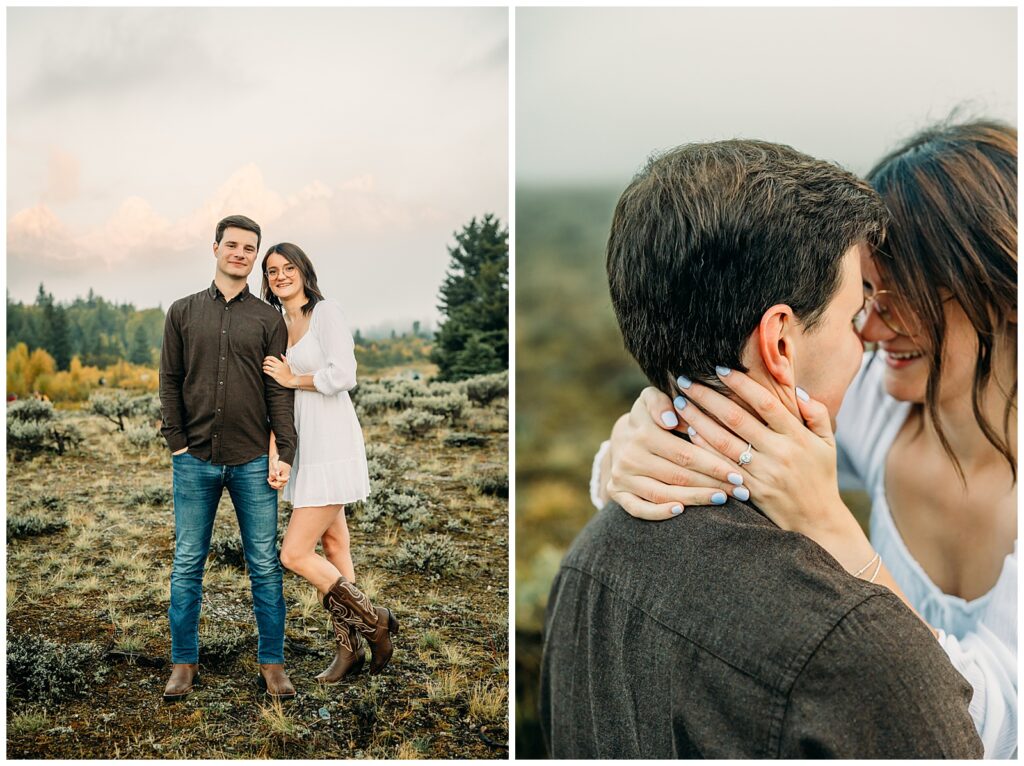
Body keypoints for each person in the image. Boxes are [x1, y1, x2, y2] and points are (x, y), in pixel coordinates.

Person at [539, 139, 984, 758]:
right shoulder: (865, 648)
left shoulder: (584, 567)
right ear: (780, 344)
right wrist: (624, 450)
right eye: (856, 316)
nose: (874, 341)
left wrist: (678, 420)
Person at [159, 214, 298, 701]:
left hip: (252, 461)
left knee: (263, 563)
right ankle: (183, 663)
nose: (240, 254)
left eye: (249, 248)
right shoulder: (181, 312)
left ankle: (273, 664)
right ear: (215, 248)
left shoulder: (267, 319)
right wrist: (177, 442)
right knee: (187, 563)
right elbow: (169, 382)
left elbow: (278, 392)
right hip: (193, 459)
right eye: (232, 245)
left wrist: (286, 449)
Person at [259, 243, 399, 684]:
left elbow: (344, 374)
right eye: (273, 270)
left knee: (293, 553)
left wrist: (293, 377)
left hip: (333, 442)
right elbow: (275, 398)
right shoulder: (278, 325)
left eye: (288, 268)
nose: (281, 275)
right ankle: (349, 650)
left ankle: (374, 622)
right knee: (335, 548)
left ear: (303, 271)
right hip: (305, 445)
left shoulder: (326, 313)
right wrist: (276, 452)